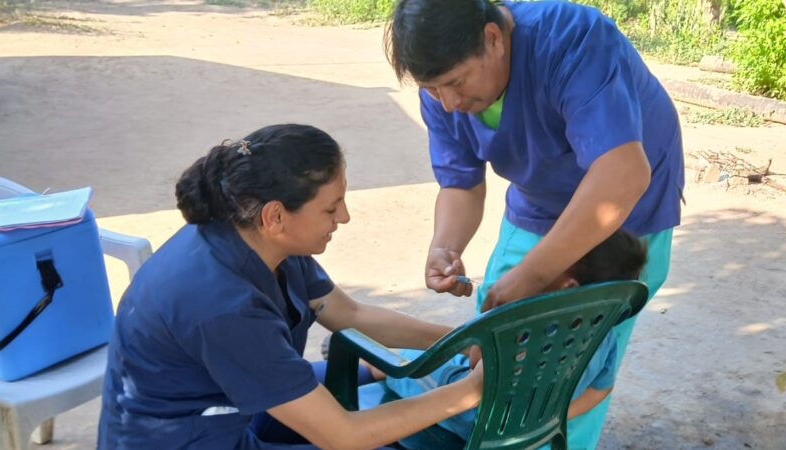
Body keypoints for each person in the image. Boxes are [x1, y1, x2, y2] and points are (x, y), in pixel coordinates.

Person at [385, 0, 684, 448]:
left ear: (492, 38)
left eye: (455, 82)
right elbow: (460, 184)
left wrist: (533, 274)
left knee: (580, 355)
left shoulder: (572, 38)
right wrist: (445, 244)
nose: (449, 102)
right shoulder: (445, 94)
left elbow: (621, 175)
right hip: (540, 201)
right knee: (501, 339)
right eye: (431, 89)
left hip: (625, 213)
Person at [97, 124, 483, 450]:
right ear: (276, 215)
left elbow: (351, 314)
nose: (344, 217)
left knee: (377, 369)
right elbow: (344, 436)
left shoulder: (260, 238)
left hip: (229, 402)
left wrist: (463, 339)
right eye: (331, 208)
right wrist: (471, 390)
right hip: (186, 437)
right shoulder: (221, 302)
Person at [379, 229, 647, 447]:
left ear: (569, 286)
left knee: (403, 360)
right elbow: (600, 389)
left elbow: (476, 366)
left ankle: (360, 377)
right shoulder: (606, 336)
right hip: (533, 427)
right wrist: (548, 415)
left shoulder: (527, 325)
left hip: (472, 416)